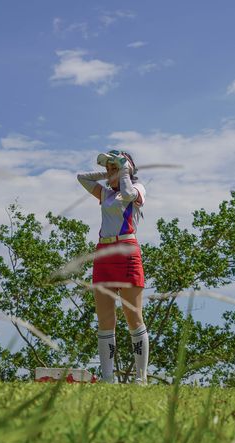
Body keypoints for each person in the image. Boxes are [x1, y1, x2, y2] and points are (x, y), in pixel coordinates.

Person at [77, 150, 148, 384]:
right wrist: (109, 170)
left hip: (127, 251)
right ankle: (107, 378)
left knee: (133, 316)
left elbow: (128, 194)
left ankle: (141, 377)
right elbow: (82, 177)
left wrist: (124, 170)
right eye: (108, 169)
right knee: (105, 319)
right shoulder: (106, 192)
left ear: (128, 168)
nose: (109, 173)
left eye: (113, 168)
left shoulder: (138, 189)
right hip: (104, 253)